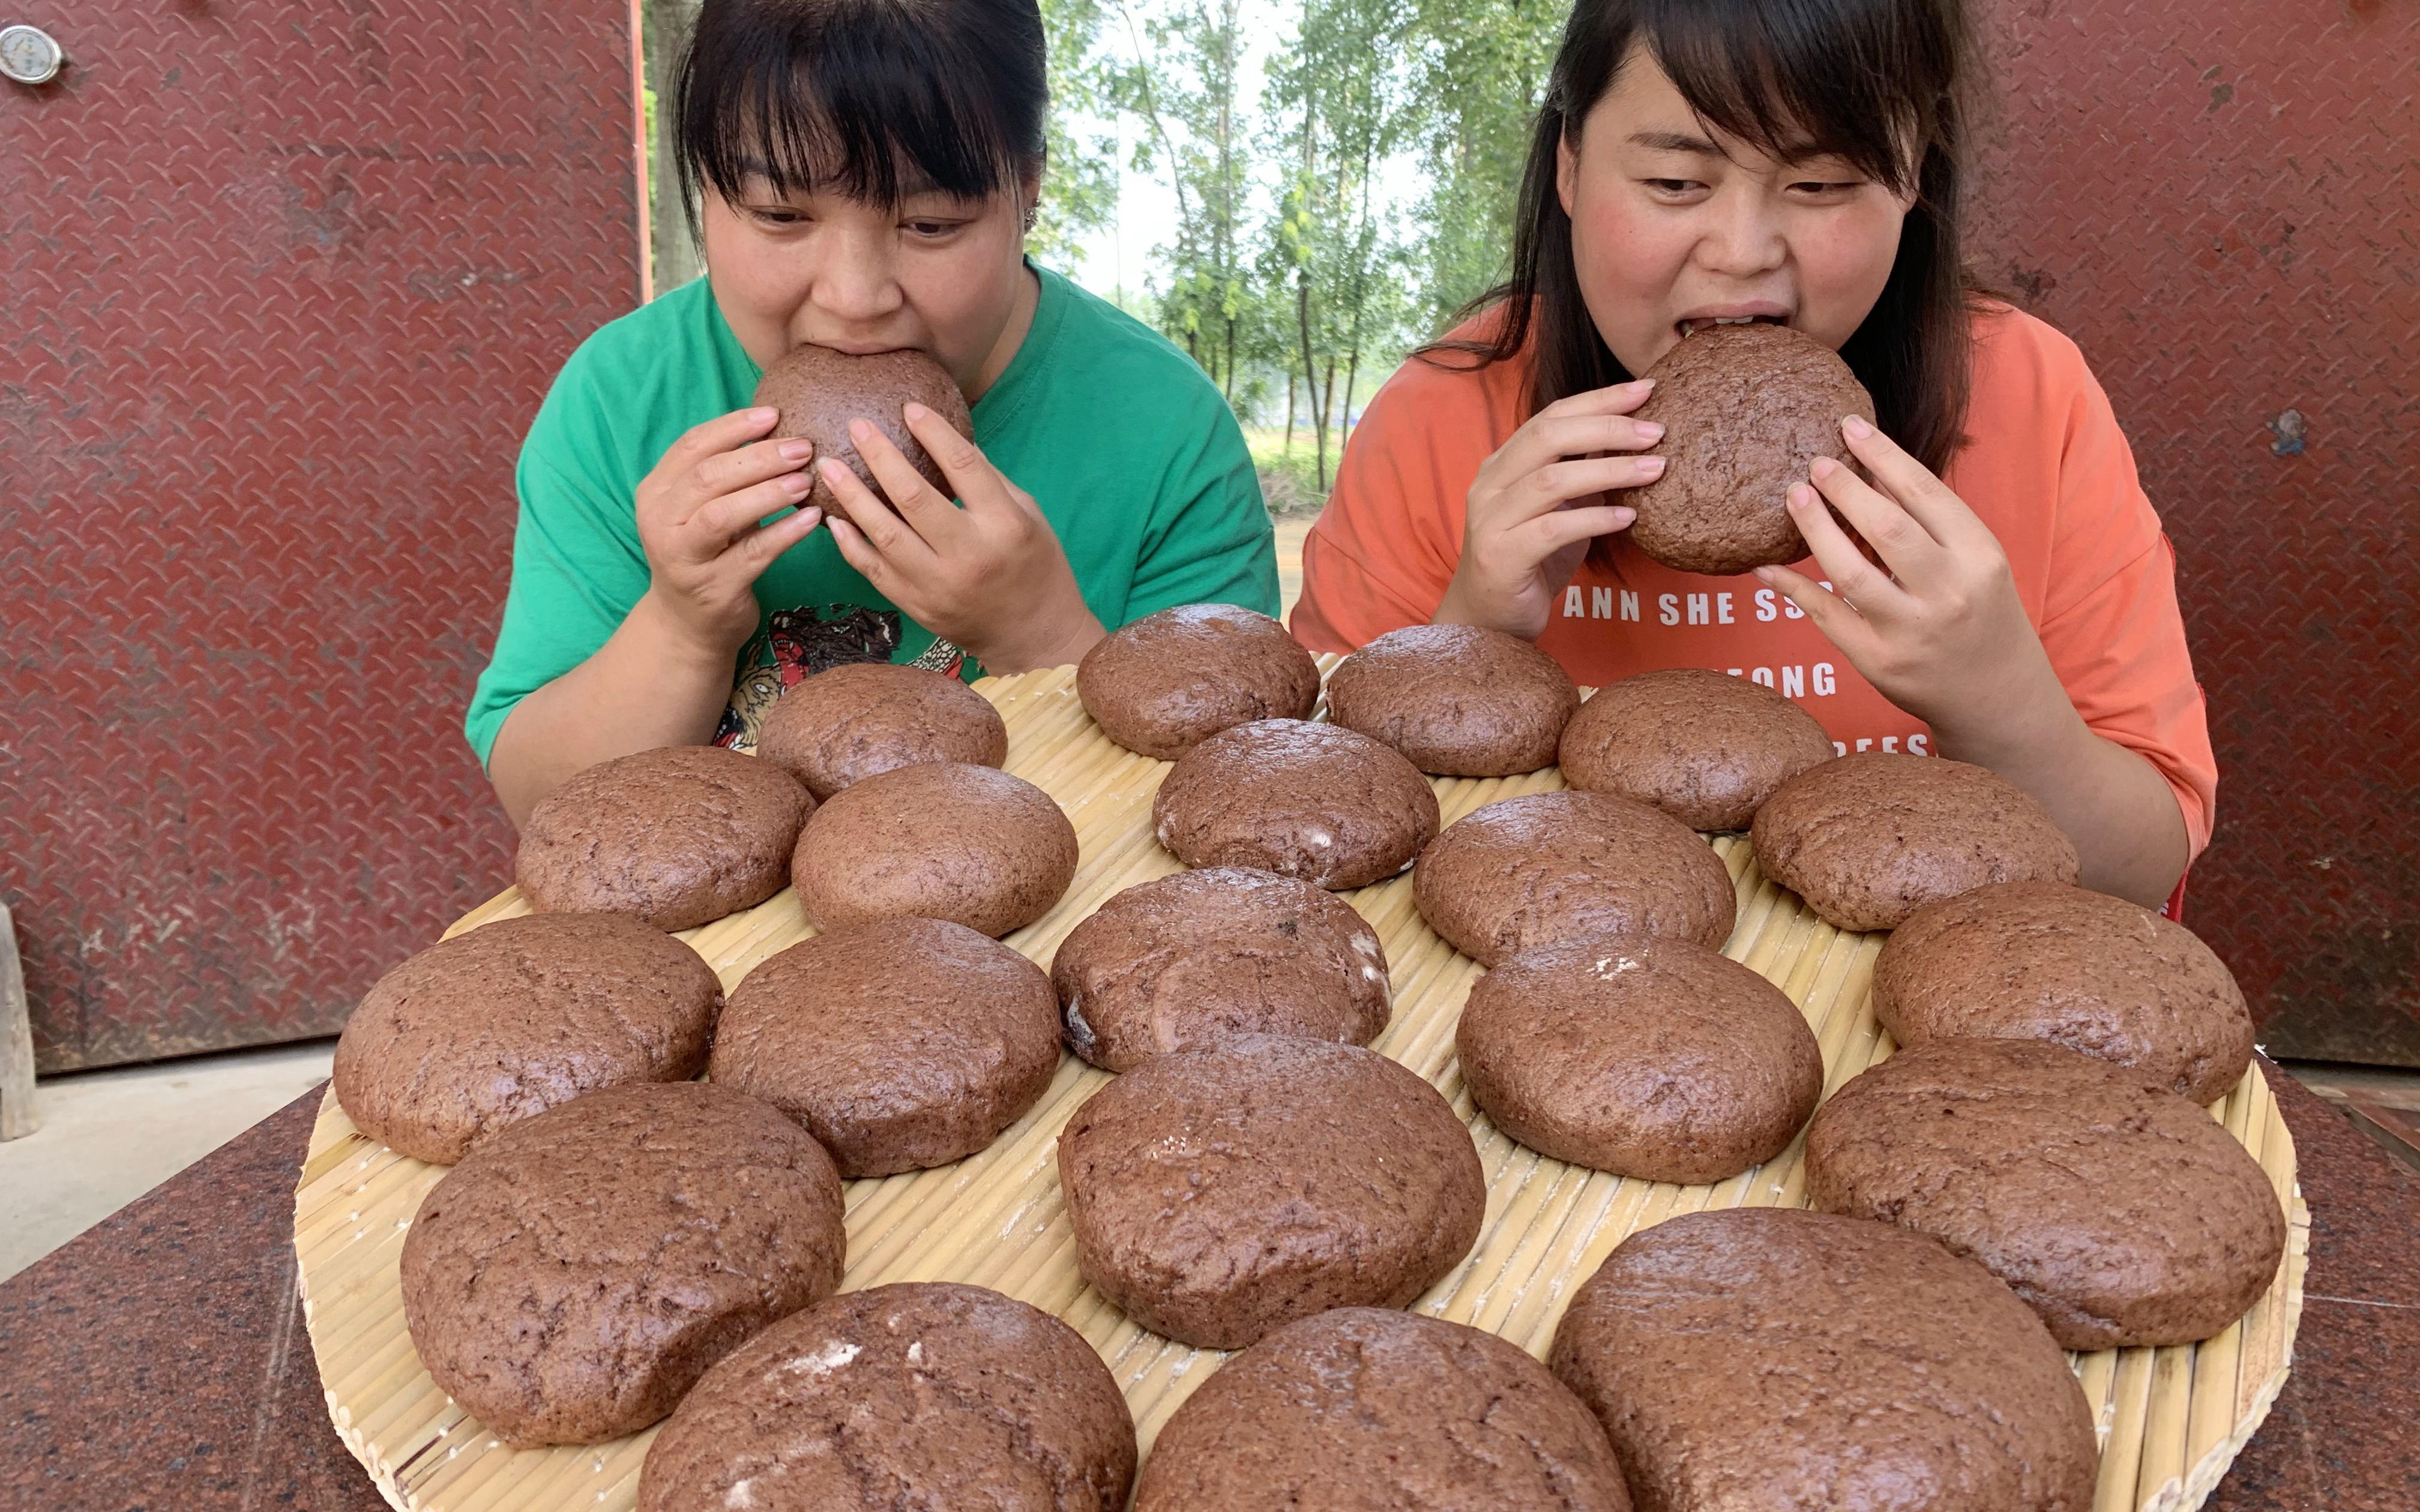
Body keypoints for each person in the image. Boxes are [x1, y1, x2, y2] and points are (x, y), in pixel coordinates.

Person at [1290, 0, 2212, 910]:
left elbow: (2140, 873)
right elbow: (1316, 833)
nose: (1742, 254)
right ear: (1569, 166)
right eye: (1675, 184)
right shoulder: (1442, 415)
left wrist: (1998, 700)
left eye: (1820, 185)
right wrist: (1475, 635)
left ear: (1914, 177)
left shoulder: (2027, 395)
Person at [469, 0, 1278, 825]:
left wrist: (1042, 639)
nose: (855, 299)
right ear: (704, 190)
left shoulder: (1162, 428)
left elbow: (1239, 810)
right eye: (781, 215)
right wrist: (683, 626)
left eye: (931, 224)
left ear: (1027, 191)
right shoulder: (622, 400)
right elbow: (543, 803)